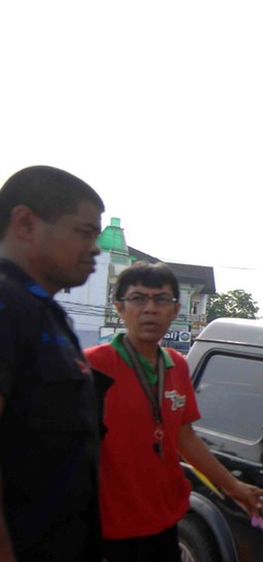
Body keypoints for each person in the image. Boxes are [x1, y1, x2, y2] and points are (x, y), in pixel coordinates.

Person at [86, 261, 263, 562]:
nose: (150, 309)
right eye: (138, 299)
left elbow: (185, 438)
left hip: (165, 519)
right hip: (109, 528)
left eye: (161, 299)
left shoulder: (177, 365)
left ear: (175, 309)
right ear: (119, 307)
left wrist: (235, 487)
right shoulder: (93, 366)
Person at [0, 165, 109, 562]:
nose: (95, 248)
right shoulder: (6, 305)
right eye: (85, 232)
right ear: (26, 223)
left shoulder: (47, 313)